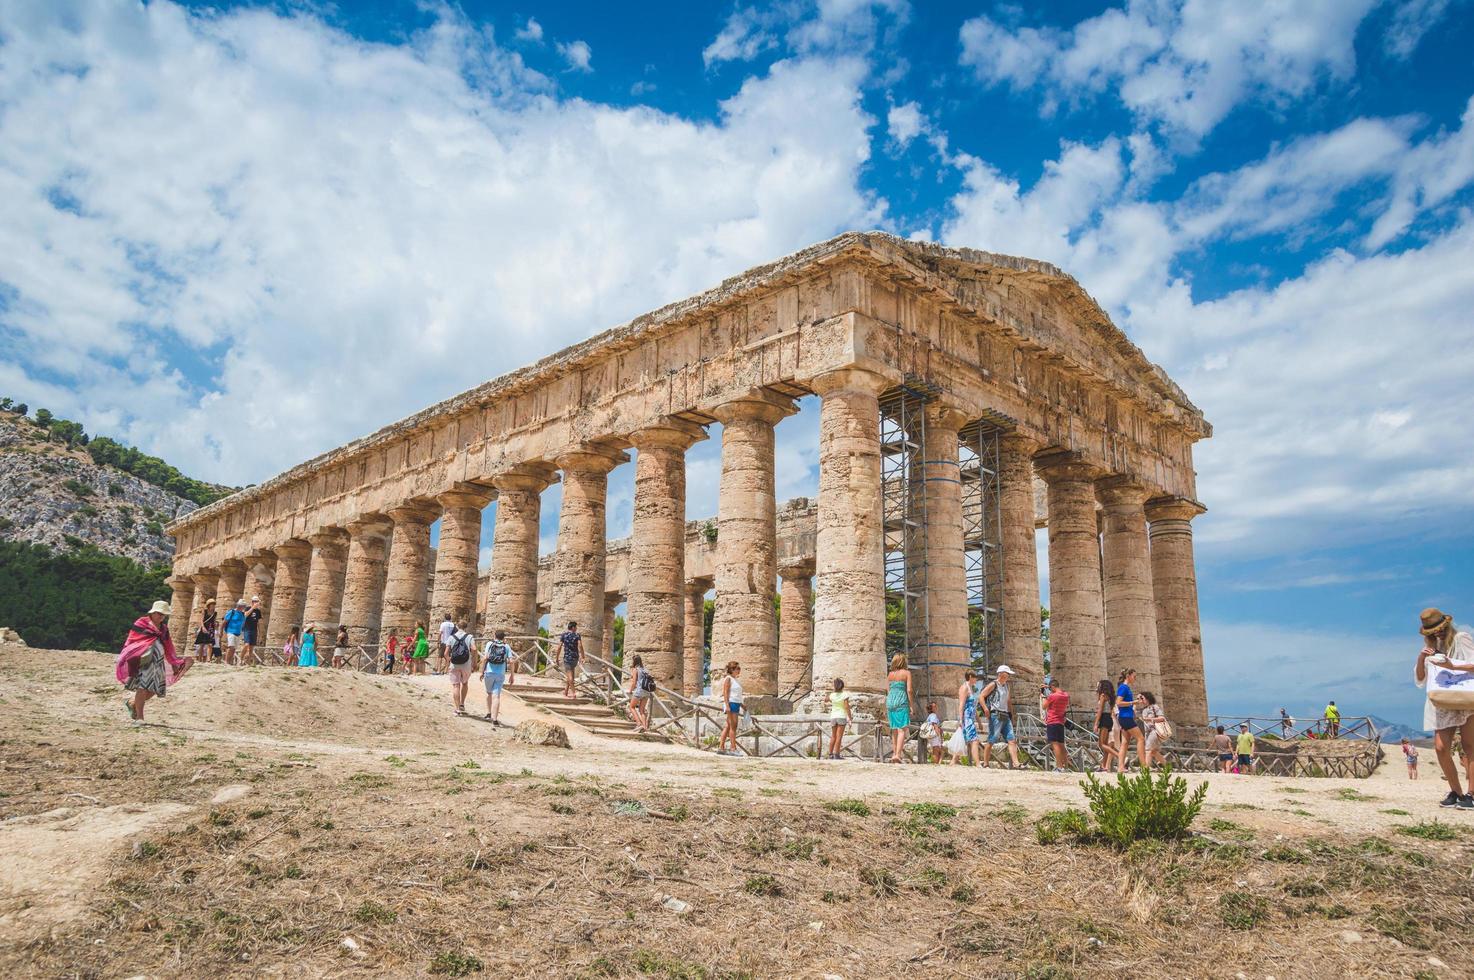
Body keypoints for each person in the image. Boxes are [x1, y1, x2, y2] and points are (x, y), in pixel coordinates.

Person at [1415, 608, 1474, 809]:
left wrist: (1453, 666)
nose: (1436, 633)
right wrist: (1422, 659)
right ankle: (1456, 791)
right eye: (1432, 631)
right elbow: (1420, 680)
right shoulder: (1432, 647)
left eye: (1439, 629)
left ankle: (1471, 794)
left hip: (1464, 698)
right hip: (1441, 701)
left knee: (1470, 746)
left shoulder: (1461, 638)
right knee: (1440, 748)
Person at [117, 600, 191, 723]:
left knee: (154, 690)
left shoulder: (164, 629)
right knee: (142, 687)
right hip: (143, 661)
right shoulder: (141, 623)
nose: (161, 616)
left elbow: (169, 647)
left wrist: (174, 664)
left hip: (158, 662)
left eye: (164, 615)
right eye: (159, 613)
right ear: (153, 612)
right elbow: (132, 641)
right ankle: (140, 717)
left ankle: (132, 703)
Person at [979, 664, 1021, 769]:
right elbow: (981, 696)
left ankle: (1016, 763)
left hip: (1005, 715)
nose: (1008, 676)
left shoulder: (1007, 686)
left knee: (1011, 739)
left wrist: (1012, 714)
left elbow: (1008, 701)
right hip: (995, 714)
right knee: (992, 739)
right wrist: (985, 709)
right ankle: (985, 763)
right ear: (1001, 674)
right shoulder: (993, 684)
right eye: (1007, 673)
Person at [479, 630, 513, 726]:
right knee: (496, 696)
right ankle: (495, 719)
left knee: (489, 693)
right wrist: (512, 675)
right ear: (504, 637)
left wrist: (481, 671)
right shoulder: (506, 646)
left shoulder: (490, 644)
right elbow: (511, 661)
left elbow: (485, 658)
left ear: (494, 636)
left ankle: (489, 713)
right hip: (500, 674)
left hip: (489, 672)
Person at [1115, 668, 1146, 773]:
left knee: (1125, 742)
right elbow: (1118, 703)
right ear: (1128, 676)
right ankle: (1144, 767)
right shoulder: (1123, 687)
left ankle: (1120, 767)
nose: (1135, 678)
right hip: (1126, 717)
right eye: (1134, 676)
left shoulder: (1125, 687)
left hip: (1125, 717)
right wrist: (1133, 702)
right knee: (1141, 739)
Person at [886, 654, 913, 764]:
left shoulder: (890, 674)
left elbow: (888, 690)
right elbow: (909, 690)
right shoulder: (906, 673)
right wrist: (911, 705)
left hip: (890, 701)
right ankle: (898, 755)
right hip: (901, 701)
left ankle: (894, 753)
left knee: (894, 729)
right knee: (902, 729)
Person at [952, 670, 982, 766]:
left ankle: (953, 762)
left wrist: (979, 721)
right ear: (970, 677)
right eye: (975, 676)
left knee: (963, 739)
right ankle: (978, 764)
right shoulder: (964, 688)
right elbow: (961, 704)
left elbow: (973, 707)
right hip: (966, 718)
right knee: (974, 740)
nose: (976, 679)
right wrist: (961, 720)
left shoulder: (971, 688)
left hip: (970, 718)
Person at [1041, 678, 1071, 772]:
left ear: (1053, 687)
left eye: (1050, 688)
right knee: (1062, 745)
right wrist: (1049, 688)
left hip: (1052, 721)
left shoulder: (1052, 696)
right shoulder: (1066, 695)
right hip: (1061, 722)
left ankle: (1059, 767)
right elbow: (1060, 693)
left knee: (1055, 745)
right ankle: (1065, 767)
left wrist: (1043, 695)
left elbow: (1044, 706)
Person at [446, 620, 475, 716]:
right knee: (465, 683)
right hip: (466, 664)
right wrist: (473, 662)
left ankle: (457, 708)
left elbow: (446, 653)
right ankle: (462, 703)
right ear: (466, 627)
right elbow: (474, 649)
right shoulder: (470, 637)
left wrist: (449, 660)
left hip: (454, 664)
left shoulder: (451, 637)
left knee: (456, 686)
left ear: (457, 627)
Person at [718, 661, 744, 757]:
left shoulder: (735, 680)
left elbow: (736, 695)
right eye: (737, 668)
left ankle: (721, 747)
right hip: (731, 704)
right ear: (732, 669)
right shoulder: (728, 679)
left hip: (736, 703)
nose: (739, 670)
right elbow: (725, 692)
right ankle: (733, 748)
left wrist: (742, 705)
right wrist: (727, 705)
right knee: (733, 726)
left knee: (728, 726)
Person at [1094, 678, 1121, 772]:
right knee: (1105, 744)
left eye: (1098, 685)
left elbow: (1100, 710)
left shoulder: (1103, 696)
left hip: (1104, 719)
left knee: (1101, 744)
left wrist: (1096, 723)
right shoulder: (1110, 697)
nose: (1097, 686)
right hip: (1109, 719)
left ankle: (1119, 756)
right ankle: (1103, 766)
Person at [625, 654, 654, 733]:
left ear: (634, 661)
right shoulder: (645, 670)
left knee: (632, 707)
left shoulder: (635, 670)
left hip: (640, 690)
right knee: (642, 710)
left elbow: (634, 683)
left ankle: (638, 724)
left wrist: (630, 691)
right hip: (647, 692)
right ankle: (644, 728)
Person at [1139, 692, 1168, 768]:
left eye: (1142, 698)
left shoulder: (1154, 707)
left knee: (1148, 750)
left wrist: (1149, 719)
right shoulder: (1143, 710)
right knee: (1154, 751)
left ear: (1148, 699)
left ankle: (1146, 770)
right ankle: (1167, 766)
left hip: (1154, 731)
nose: (1141, 700)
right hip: (1148, 733)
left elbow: (1162, 718)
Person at [827, 678, 852, 760]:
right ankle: (836, 754)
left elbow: (826, 699)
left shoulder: (832, 695)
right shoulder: (845, 695)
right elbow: (846, 706)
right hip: (841, 716)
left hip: (833, 716)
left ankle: (830, 754)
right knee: (839, 737)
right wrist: (849, 717)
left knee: (833, 736)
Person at [558, 621, 583, 698]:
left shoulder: (564, 635)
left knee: (570, 677)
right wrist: (583, 656)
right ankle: (565, 691)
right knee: (570, 675)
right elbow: (580, 646)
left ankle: (573, 693)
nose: (576, 628)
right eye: (576, 627)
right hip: (575, 658)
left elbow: (559, 647)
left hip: (567, 658)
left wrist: (556, 657)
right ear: (573, 627)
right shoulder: (577, 635)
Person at [221, 599, 246, 666]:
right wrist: (221, 631)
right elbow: (224, 622)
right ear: (238, 605)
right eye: (242, 606)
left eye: (244, 606)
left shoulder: (242, 614)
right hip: (230, 631)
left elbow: (243, 624)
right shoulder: (231, 612)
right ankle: (226, 662)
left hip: (238, 633)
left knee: (234, 648)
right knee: (230, 647)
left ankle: (230, 662)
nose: (243, 607)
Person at [193, 598, 217, 662]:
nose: (213, 606)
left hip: (211, 628)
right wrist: (202, 627)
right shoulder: (205, 611)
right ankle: (200, 659)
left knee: (210, 644)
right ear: (209, 605)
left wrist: (215, 629)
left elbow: (214, 621)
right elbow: (201, 620)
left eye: (214, 604)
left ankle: (208, 659)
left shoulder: (215, 613)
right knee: (202, 644)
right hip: (204, 627)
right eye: (212, 604)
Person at [242, 596, 263, 665]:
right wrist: (252, 608)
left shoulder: (258, 611)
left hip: (254, 630)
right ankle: (241, 658)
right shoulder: (248, 608)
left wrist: (260, 633)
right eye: (254, 601)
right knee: (246, 644)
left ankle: (248, 662)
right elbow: (245, 615)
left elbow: (259, 622)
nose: (256, 603)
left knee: (251, 647)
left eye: (257, 601)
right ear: (252, 602)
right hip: (247, 629)